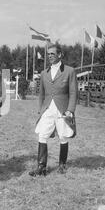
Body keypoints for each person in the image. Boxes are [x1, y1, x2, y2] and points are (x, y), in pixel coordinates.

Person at [29, 45, 77, 176]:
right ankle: (41, 168)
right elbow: (41, 94)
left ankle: (62, 165)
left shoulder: (69, 71)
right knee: (42, 135)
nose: (50, 56)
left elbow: (73, 93)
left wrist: (70, 110)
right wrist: (41, 109)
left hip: (62, 109)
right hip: (48, 109)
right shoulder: (44, 73)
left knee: (63, 136)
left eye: (52, 53)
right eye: (48, 54)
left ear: (60, 55)